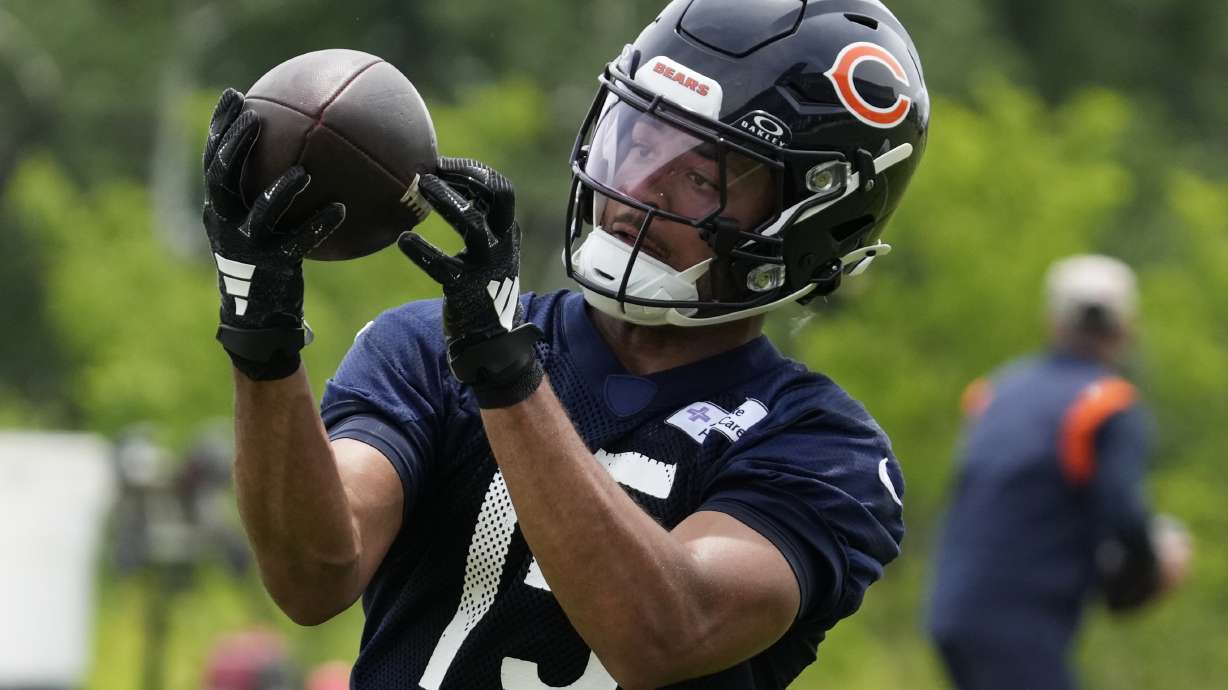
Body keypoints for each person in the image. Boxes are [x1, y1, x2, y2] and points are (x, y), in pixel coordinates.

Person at [200, 0, 929, 687]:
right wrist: (263, 346)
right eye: (638, 139)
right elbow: (314, 575)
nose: (636, 188)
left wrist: (505, 376)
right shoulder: (424, 345)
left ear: (813, 220)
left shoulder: (825, 448)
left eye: (700, 175)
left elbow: (664, 630)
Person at [926, 254, 1193, 690]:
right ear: (1126, 327)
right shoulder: (1107, 404)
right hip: (1021, 622)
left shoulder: (997, 390)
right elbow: (1124, 516)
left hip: (952, 610)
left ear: (1054, 321)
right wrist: (1154, 566)